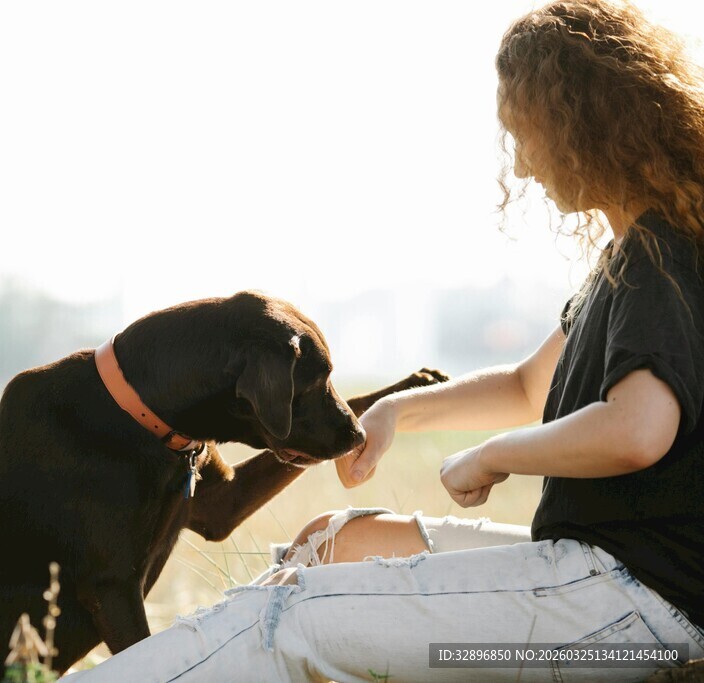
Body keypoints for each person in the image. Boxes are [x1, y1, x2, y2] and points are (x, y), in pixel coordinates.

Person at [62, 1, 704, 680]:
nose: (521, 166)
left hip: (634, 618)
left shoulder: (658, 256)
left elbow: (637, 431)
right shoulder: (630, 254)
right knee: (331, 543)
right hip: (607, 594)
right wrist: (400, 410)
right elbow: (527, 386)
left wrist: (491, 456)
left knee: (288, 619)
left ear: (581, 124)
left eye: (528, 134)